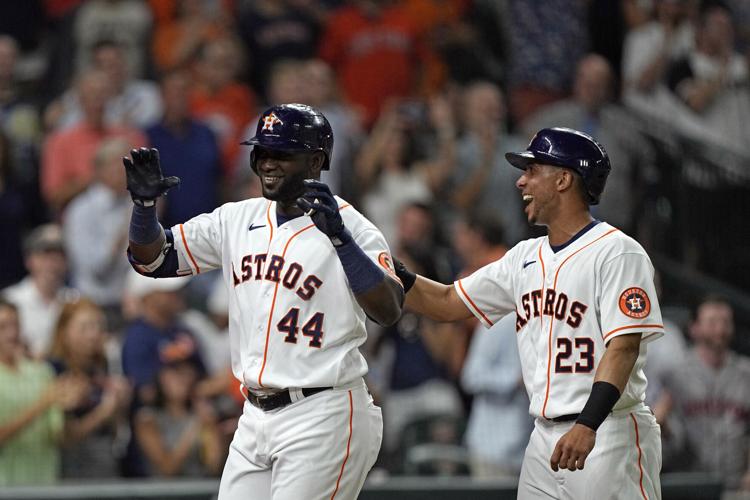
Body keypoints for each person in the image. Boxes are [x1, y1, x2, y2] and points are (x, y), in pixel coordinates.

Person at [123, 103, 403, 499]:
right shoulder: (237, 218)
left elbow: (389, 309)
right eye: (263, 153)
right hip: (254, 416)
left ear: (316, 160)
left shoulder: (354, 227)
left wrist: (341, 241)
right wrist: (144, 209)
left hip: (323, 411)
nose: (269, 163)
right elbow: (153, 259)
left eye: (282, 154)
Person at [394, 127, 664, 499]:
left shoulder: (617, 252)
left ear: (564, 179)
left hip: (606, 431)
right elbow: (444, 302)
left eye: (533, 170)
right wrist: (371, 262)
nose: (521, 181)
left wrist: (588, 424)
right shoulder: (523, 257)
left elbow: (624, 347)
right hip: (543, 438)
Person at [658, 296, 750, 491]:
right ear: (694, 328)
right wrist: (663, 425)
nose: (720, 329)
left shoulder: (745, 372)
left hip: (735, 485)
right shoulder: (677, 374)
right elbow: (669, 436)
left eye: (725, 322)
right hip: (688, 483)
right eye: (712, 322)